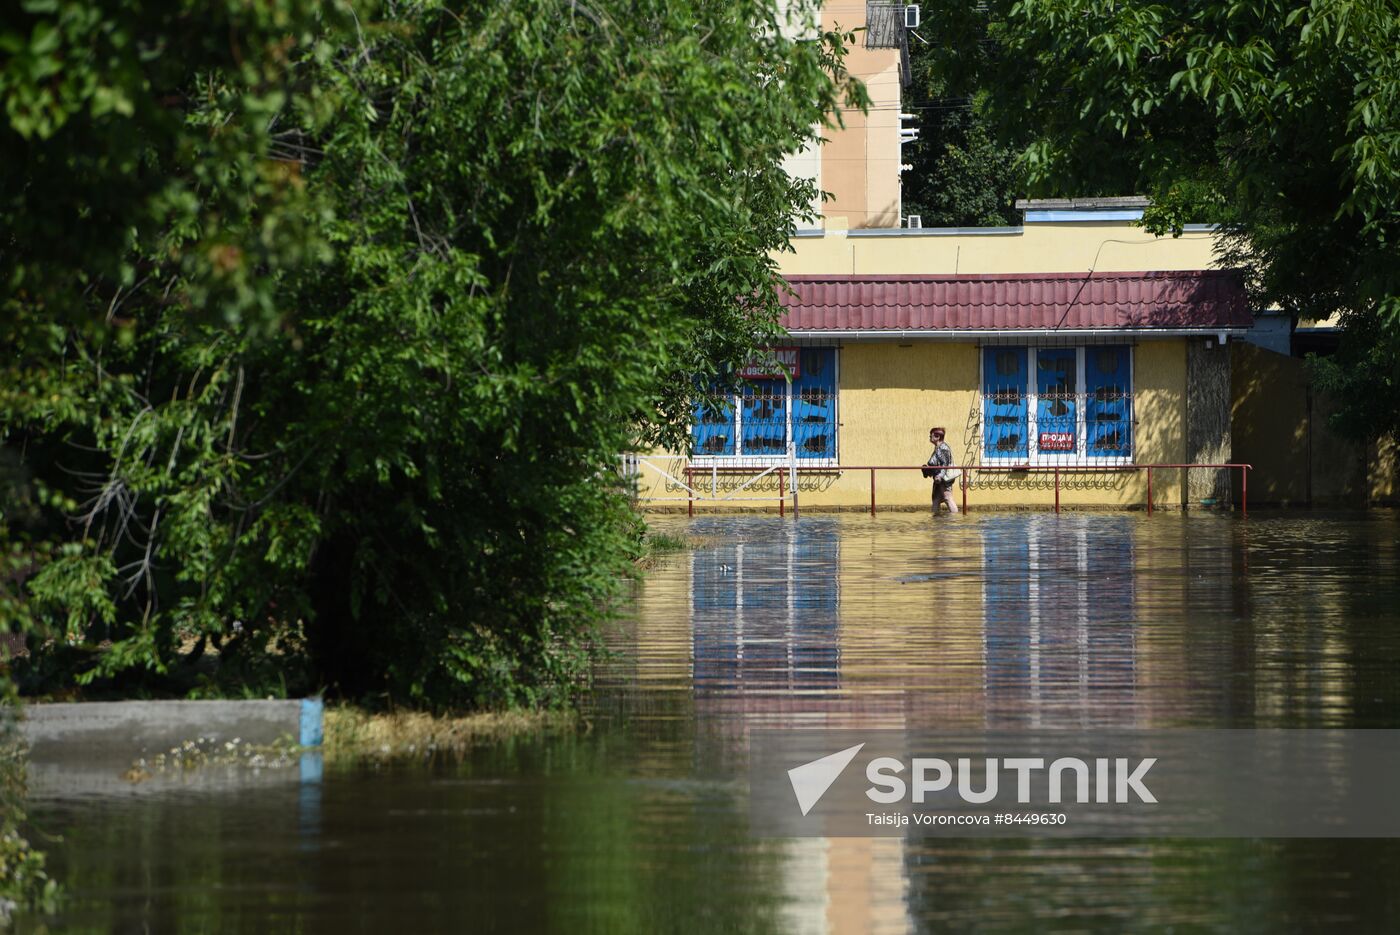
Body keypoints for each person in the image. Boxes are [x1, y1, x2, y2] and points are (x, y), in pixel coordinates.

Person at [926, 427, 959, 514]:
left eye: (931, 435)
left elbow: (945, 464)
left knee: (948, 498)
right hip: (938, 478)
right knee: (936, 499)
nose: (929, 437)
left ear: (937, 437)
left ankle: (955, 520)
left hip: (943, 479)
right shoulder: (938, 447)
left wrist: (939, 476)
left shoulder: (943, 448)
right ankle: (936, 520)